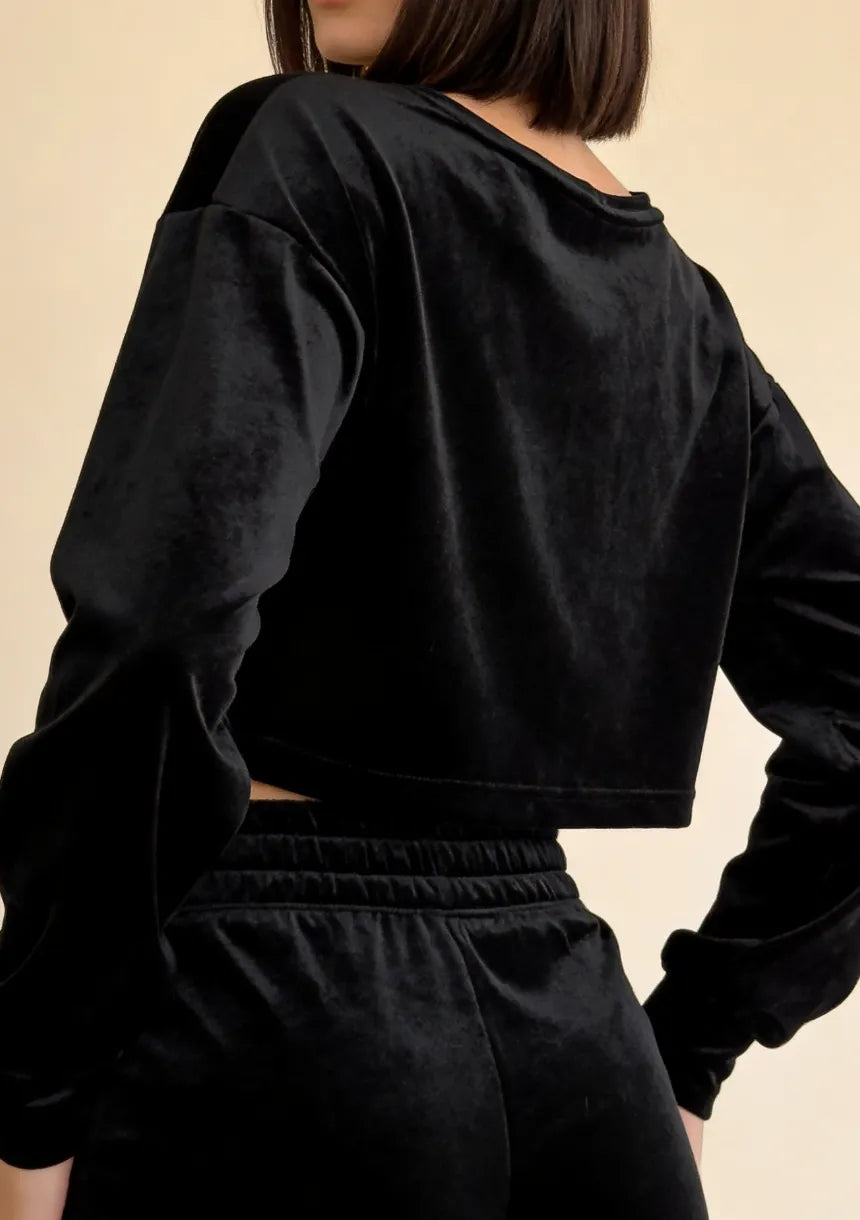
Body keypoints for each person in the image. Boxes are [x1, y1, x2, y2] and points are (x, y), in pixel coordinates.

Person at [1, 0, 858, 1216]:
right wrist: (683, 1048)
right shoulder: (680, 310)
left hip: (274, 1029)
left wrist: (34, 1089)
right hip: (580, 1050)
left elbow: (158, 633)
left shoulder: (313, 148)